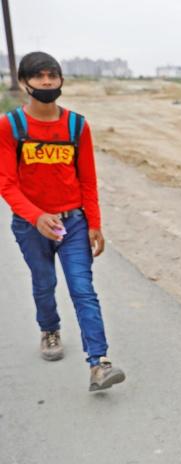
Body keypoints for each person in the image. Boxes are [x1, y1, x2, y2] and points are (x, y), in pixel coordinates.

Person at [0, 51, 125, 392]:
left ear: (60, 81)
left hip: (73, 224)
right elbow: (6, 183)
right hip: (31, 226)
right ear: (25, 83)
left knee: (83, 289)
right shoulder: (10, 126)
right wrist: (36, 216)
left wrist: (95, 224)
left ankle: (98, 363)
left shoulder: (76, 126)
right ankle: (49, 328)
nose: (46, 82)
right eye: (38, 77)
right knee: (43, 283)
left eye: (51, 76)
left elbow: (87, 180)